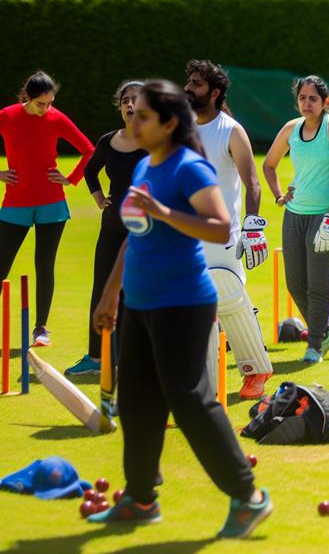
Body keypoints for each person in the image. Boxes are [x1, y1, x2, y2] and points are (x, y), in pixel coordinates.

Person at [89, 80, 271, 538]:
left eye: (144, 114)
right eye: (132, 112)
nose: (134, 118)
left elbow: (218, 226)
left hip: (183, 302)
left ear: (169, 123)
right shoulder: (145, 168)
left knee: (190, 401)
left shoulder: (190, 168)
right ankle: (141, 498)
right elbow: (135, 234)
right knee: (136, 402)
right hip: (141, 302)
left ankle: (249, 498)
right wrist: (111, 294)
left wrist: (163, 212)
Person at [0, 70, 94, 348]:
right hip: (15, 203)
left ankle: (41, 329)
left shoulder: (56, 118)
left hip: (52, 205)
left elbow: (89, 149)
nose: (46, 109)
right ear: (27, 97)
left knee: (44, 266)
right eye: (40, 104)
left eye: (50, 103)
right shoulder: (7, 116)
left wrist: (71, 179)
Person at [185, 60, 272, 400]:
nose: (188, 88)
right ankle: (237, 373)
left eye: (196, 83)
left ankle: (249, 371)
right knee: (204, 303)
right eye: (188, 81)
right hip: (188, 232)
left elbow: (252, 183)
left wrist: (253, 227)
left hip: (223, 234)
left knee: (223, 297)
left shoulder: (231, 130)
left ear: (215, 92)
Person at [263, 75, 329, 363]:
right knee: (295, 284)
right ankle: (325, 332)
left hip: (326, 214)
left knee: (317, 284)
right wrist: (278, 196)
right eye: (302, 98)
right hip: (295, 213)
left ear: (325, 102)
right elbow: (269, 165)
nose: (307, 103)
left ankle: (314, 345)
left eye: (313, 98)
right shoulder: (291, 129)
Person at [65, 80, 148, 376]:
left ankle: (126, 358)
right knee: (102, 288)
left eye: (136, 100)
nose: (129, 105)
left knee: (132, 294)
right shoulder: (108, 141)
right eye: (125, 100)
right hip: (112, 228)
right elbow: (90, 170)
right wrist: (100, 199)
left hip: (143, 232)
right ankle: (96, 357)